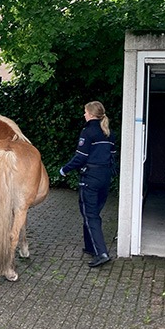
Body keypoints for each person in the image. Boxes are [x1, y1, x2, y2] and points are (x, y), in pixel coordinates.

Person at [60, 101, 116, 268]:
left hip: (90, 178)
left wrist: (64, 169)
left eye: (85, 112)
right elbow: (113, 157)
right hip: (105, 177)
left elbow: (80, 157)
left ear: (91, 114)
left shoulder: (88, 131)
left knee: (90, 215)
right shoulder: (109, 133)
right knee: (93, 212)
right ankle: (90, 246)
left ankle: (102, 253)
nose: (83, 115)